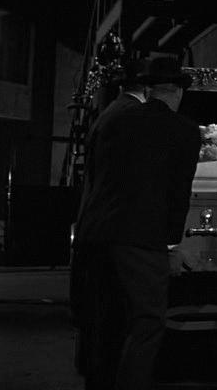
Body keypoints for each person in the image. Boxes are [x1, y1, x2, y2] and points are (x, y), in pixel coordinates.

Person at [73, 57, 199, 390]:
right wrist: (171, 245)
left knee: (107, 318)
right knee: (147, 322)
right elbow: (178, 194)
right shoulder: (183, 130)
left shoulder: (113, 119)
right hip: (141, 238)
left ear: (148, 89)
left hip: (97, 234)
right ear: (177, 92)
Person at [70, 57, 149, 373]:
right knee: (113, 315)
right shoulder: (131, 117)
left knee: (103, 314)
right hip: (114, 229)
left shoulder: (113, 113)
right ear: (148, 88)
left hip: (99, 224)